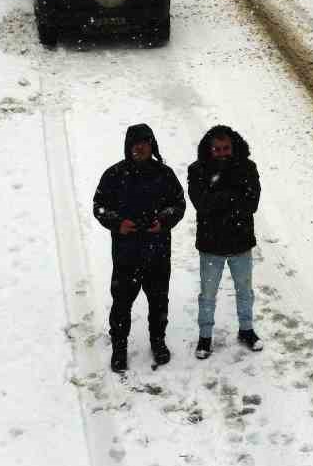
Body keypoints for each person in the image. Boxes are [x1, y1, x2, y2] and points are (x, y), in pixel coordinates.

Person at [92, 123, 185, 373]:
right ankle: (119, 348)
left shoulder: (164, 175)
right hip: (126, 255)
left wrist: (163, 221)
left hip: (157, 253)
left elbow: (178, 204)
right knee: (121, 304)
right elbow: (99, 206)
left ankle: (158, 342)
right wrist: (117, 223)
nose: (140, 147)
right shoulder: (114, 175)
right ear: (128, 146)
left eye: (144, 142)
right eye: (135, 143)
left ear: (151, 145)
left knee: (158, 303)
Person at [187, 125, 263, 359]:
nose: (222, 153)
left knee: (245, 291)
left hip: (241, 243)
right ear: (209, 150)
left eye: (226, 148)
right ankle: (205, 336)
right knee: (208, 294)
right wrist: (234, 196)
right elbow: (201, 203)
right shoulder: (197, 170)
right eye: (217, 149)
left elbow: (252, 203)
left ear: (233, 146)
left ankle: (247, 330)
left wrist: (219, 198)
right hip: (211, 245)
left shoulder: (248, 168)